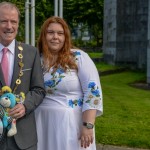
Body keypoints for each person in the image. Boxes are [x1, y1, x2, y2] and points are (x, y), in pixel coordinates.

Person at [35, 16, 103, 150]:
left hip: (71, 123)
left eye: (60, 33)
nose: (55, 37)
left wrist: (88, 125)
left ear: (65, 37)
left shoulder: (79, 57)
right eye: (50, 32)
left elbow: (92, 91)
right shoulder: (36, 58)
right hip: (41, 122)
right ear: (43, 35)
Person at [0, 2, 45, 150]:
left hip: (23, 138)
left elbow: (39, 89)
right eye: (3, 21)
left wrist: (25, 106)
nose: (9, 26)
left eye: (13, 21)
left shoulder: (31, 53)